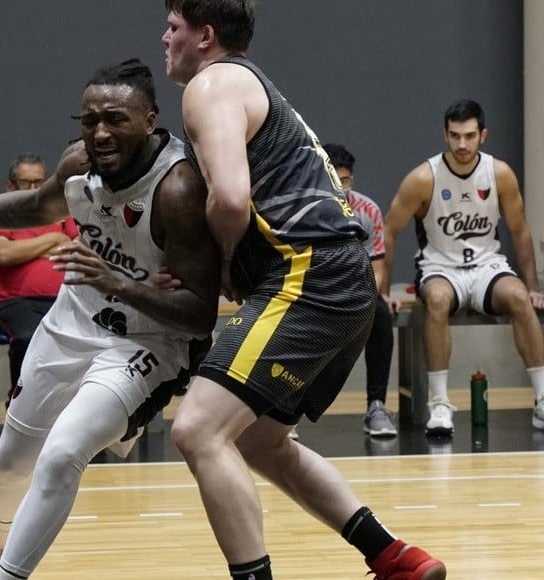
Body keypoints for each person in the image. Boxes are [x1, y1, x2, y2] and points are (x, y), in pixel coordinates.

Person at [0, 58, 221, 580]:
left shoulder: (176, 190)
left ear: (151, 119)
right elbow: (31, 208)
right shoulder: (77, 164)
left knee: (63, 453)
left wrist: (117, 282)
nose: (101, 132)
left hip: (143, 343)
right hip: (69, 325)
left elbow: (201, 317)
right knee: (8, 465)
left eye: (116, 118)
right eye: (89, 121)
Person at [162, 2, 446, 579]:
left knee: (196, 429)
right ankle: (395, 556)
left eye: (173, 27)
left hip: (307, 278)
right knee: (261, 442)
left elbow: (232, 199)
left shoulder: (212, 83)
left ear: (204, 36)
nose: (164, 37)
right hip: (345, 279)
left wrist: (218, 265)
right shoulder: (251, 83)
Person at [382, 98, 544, 438]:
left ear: (483, 135)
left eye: (469, 136)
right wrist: (381, 292)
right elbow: (388, 232)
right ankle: (439, 403)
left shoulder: (498, 173)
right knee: (437, 300)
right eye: (455, 136)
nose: (462, 144)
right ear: (445, 135)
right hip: (440, 267)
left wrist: (532, 286)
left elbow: (520, 230)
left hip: (487, 265)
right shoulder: (424, 178)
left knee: (517, 297)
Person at [0, 153, 78, 400]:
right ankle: (23, 406)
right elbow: (2, 253)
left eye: (39, 183)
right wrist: (54, 240)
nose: (34, 190)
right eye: (26, 183)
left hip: (68, 300)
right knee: (28, 338)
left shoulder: (62, 215)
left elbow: (80, 248)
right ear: (10, 186)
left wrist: (26, 250)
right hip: (18, 304)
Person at [325, 143, 400, 437]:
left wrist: (366, 297)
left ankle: (376, 406)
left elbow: (377, 269)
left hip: (355, 291)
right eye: (334, 180)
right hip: (315, 290)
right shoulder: (305, 208)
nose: (341, 188)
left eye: (345, 181)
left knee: (380, 314)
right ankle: (282, 417)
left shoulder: (367, 210)